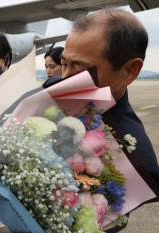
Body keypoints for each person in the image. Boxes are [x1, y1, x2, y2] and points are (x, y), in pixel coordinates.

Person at [60, 9, 159, 232]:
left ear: (129, 71)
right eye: (64, 64)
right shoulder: (54, 89)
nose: (64, 79)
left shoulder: (136, 159)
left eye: (80, 68)